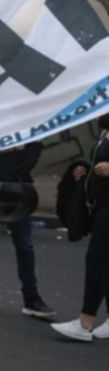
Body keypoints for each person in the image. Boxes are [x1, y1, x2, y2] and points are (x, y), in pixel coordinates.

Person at [0, 143, 55, 318]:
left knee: (24, 244)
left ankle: (31, 297)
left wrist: (11, 174)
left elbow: (34, 150)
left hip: (19, 187)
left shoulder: (26, 122)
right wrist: (3, 175)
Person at [52, 117, 109, 341]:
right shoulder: (105, 131)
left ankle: (85, 322)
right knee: (105, 261)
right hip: (101, 203)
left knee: (97, 260)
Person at [55, 159, 90, 226]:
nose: (79, 173)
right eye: (76, 171)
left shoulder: (89, 186)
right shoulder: (65, 186)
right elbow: (61, 204)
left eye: (82, 171)